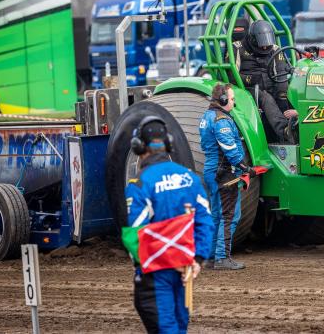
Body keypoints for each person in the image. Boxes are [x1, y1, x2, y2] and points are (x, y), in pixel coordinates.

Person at [125, 116, 214, 334]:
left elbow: (135, 238)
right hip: (185, 270)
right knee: (179, 326)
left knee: (167, 329)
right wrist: (197, 259)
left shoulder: (139, 184)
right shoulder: (191, 178)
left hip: (156, 274)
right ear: (169, 144)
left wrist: (170, 260)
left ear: (138, 146)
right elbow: (205, 222)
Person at [199, 83, 257, 270]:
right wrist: (245, 168)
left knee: (216, 215)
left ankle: (210, 257)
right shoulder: (221, 120)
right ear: (223, 100)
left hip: (212, 172)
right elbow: (230, 150)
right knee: (229, 216)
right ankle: (222, 258)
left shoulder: (207, 116)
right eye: (232, 99)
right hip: (224, 174)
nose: (233, 102)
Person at [234, 19, 298, 143]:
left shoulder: (275, 49)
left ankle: (297, 128)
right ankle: (285, 130)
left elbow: (281, 74)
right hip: (248, 89)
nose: (264, 47)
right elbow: (232, 76)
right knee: (266, 98)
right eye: (261, 44)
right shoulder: (238, 48)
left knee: (285, 93)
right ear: (252, 39)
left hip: (271, 86)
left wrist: (283, 95)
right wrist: (251, 79)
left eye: (266, 43)